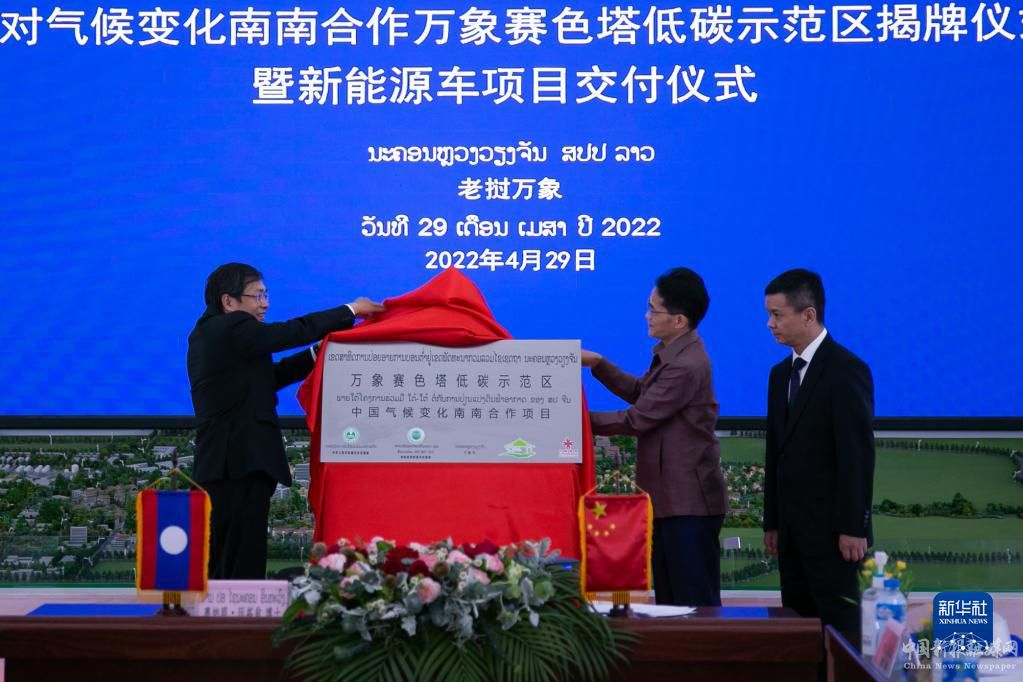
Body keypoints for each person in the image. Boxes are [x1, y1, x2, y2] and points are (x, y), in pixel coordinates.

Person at [187, 263, 384, 579]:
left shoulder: (216, 337)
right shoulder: (227, 328)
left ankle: (226, 610)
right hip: (237, 463)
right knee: (241, 560)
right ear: (229, 301)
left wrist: (319, 351)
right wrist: (351, 310)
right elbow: (290, 332)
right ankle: (239, 612)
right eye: (258, 295)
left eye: (266, 295)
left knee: (229, 558)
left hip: (230, 464)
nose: (265, 304)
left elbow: (270, 378)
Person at [582, 267, 729, 606]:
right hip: (670, 500)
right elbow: (643, 394)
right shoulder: (673, 354)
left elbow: (637, 419)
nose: (647, 315)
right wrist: (599, 364)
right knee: (670, 601)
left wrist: (572, 419)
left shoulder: (686, 365)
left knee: (692, 605)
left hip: (687, 503)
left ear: (678, 320)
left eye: (653, 309)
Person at [761, 268, 875, 640]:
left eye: (777, 315)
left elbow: (856, 455)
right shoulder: (779, 375)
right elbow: (776, 452)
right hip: (791, 536)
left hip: (835, 539)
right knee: (799, 634)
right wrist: (772, 522)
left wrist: (854, 527)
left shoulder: (846, 370)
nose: (770, 324)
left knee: (839, 636)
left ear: (808, 314)